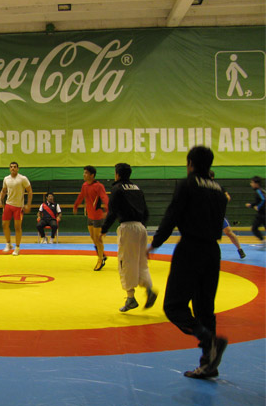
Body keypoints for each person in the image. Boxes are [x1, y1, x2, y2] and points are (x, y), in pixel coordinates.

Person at [147, 146, 228, 379]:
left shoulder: (187, 185)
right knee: (205, 309)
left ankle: (208, 340)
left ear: (190, 163)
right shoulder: (219, 190)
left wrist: (155, 243)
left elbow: (171, 216)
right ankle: (209, 364)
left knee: (174, 307)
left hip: (190, 249)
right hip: (212, 251)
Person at [100, 163, 158, 312]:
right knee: (141, 262)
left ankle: (130, 298)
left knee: (125, 262)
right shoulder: (137, 188)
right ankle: (149, 288)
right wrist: (142, 225)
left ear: (117, 174)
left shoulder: (117, 189)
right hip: (141, 228)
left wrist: (104, 229)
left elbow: (112, 211)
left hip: (128, 227)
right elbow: (146, 211)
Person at [73, 165, 109, 270]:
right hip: (90, 215)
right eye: (84, 172)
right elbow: (81, 196)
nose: (84, 175)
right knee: (93, 238)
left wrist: (108, 210)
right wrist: (76, 205)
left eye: (86, 173)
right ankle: (102, 254)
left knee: (98, 239)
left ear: (92, 175)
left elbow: (104, 198)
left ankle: (100, 260)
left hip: (97, 216)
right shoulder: (84, 185)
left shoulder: (99, 186)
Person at [0, 161, 33, 256]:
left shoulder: (23, 178)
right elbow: (3, 191)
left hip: (18, 207)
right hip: (8, 205)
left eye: (15, 167)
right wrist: (0, 200)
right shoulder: (6, 179)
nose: (13, 168)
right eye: (11, 167)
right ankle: (8, 244)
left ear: (18, 168)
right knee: (4, 225)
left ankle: (17, 247)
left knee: (17, 227)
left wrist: (28, 204)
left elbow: (29, 191)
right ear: (9, 168)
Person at [209, 171, 245, 259]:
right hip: (208, 215)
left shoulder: (218, 187)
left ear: (212, 177)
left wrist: (220, 202)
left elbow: (228, 197)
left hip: (218, 214)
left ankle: (240, 249)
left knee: (228, 232)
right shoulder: (202, 188)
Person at [245, 175, 265, 245]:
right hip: (262, 214)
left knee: (254, 228)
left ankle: (263, 242)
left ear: (256, 184)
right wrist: (251, 205)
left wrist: (258, 207)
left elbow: (263, 199)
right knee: (254, 228)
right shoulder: (260, 191)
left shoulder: (259, 191)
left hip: (262, 214)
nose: (251, 184)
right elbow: (258, 201)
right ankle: (263, 242)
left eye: (252, 182)